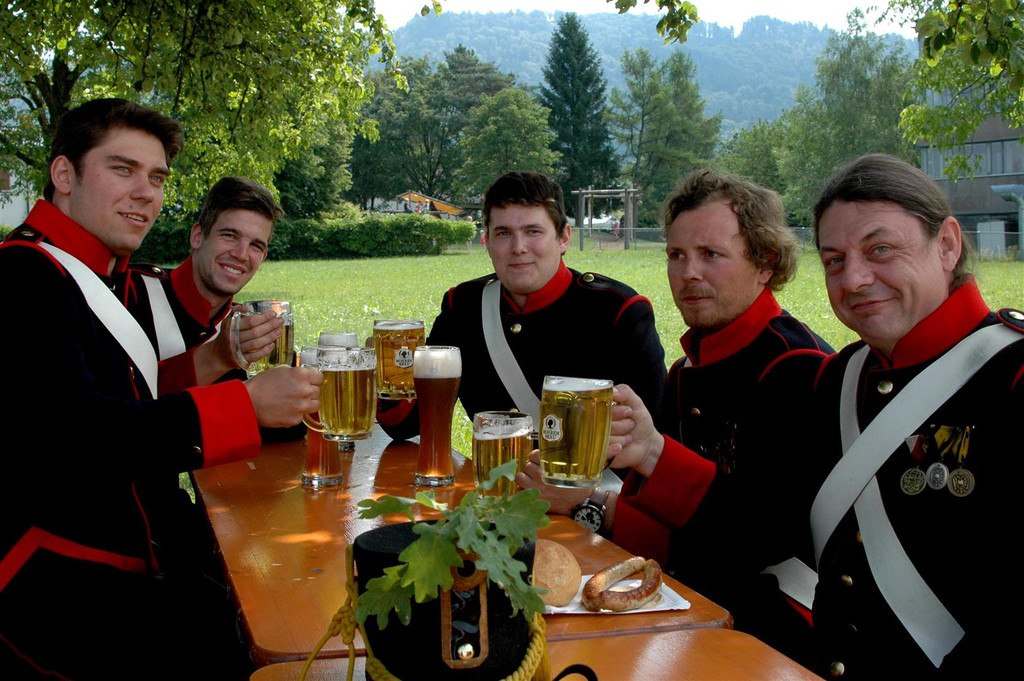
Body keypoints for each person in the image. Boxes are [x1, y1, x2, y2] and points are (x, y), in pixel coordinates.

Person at [0, 98, 321, 679]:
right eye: (123, 169)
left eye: (156, 177)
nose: (145, 193)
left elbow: (130, 393)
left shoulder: (98, 272)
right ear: (64, 174)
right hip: (55, 580)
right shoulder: (23, 275)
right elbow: (81, 433)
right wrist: (244, 405)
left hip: (130, 554)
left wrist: (218, 359)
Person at [519, 169, 833, 663]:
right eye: (676, 255)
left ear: (765, 262)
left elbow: (760, 541)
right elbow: (681, 537)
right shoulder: (686, 372)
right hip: (692, 609)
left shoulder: (801, 368)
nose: (689, 273)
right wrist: (584, 500)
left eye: (711, 255)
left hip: (778, 637)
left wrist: (654, 454)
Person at [807, 153, 1022, 679]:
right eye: (834, 260)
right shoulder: (839, 379)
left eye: (879, 250)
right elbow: (770, 527)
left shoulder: (1013, 374)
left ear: (946, 245)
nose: (854, 279)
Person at [378, 171, 666, 439]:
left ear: (563, 237)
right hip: (494, 475)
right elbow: (406, 423)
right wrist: (388, 372)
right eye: (503, 233)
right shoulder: (464, 308)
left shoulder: (617, 312)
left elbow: (652, 435)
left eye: (533, 232)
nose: (518, 247)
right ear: (487, 242)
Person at [129, 176, 286, 390]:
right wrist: (216, 358)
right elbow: (117, 398)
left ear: (263, 256)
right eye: (230, 235)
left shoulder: (250, 331)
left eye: (255, 246)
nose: (241, 254)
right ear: (197, 236)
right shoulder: (131, 293)